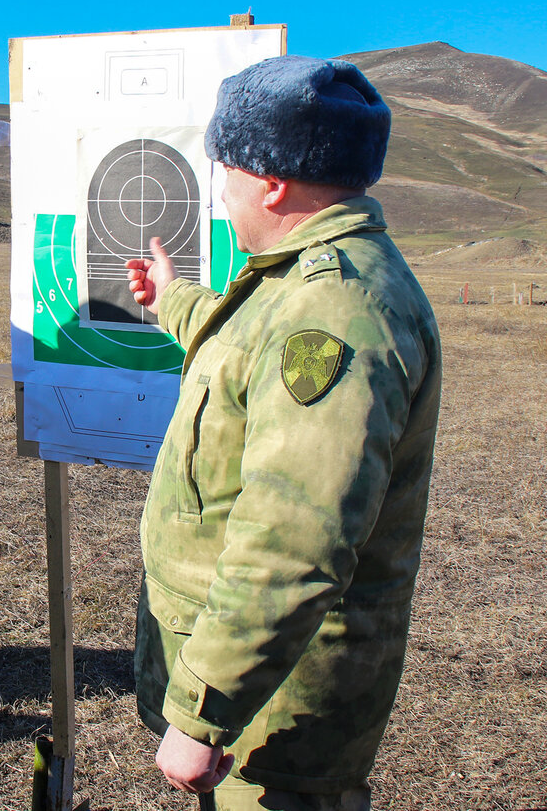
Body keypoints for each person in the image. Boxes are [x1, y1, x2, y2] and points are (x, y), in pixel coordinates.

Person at [125, 55, 442, 810]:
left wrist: (203, 709)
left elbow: (293, 537)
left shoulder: (334, 311)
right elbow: (247, 355)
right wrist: (175, 300)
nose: (221, 191)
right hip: (256, 689)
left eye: (226, 171)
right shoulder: (296, 285)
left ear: (272, 182)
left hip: (273, 711)